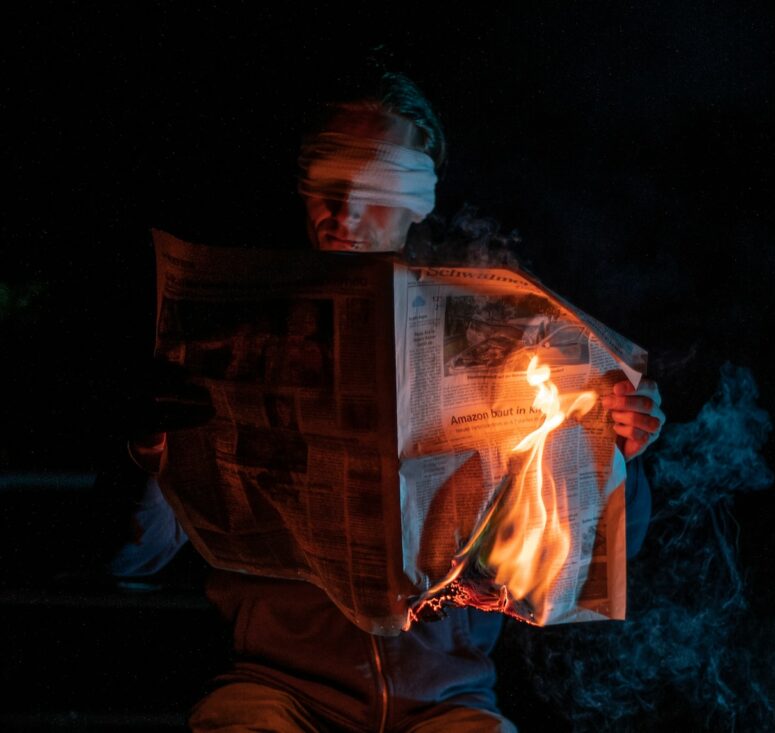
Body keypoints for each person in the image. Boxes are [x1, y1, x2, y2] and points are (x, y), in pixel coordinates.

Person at [109, 71, 665, 732]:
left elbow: (592, 554)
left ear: (419, 196)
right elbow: (130, 557)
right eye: (326, 177)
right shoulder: (228, 337)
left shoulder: (502, 342)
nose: (344, 210)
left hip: (448, 702)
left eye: (376, 182)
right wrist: (146, 453)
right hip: (272, 690)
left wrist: (620, 455)